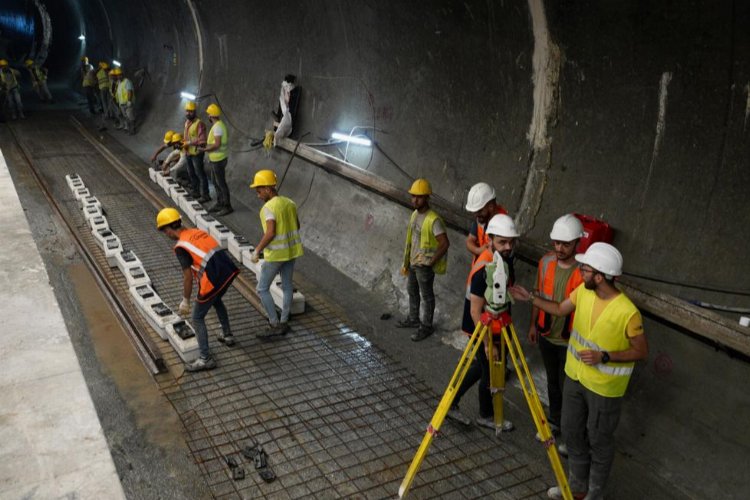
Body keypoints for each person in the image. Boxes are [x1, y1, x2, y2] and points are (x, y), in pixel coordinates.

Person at [509, 243, 648, 500]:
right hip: (574, 378)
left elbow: (640, 351)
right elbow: (561, 309)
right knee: (572, 433)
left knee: (599, 441)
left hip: (604, 389)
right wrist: (529, 297)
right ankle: (576, 488)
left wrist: (605, 356)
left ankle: (595, 494)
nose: (581, 272)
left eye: (585, 269)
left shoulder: (627, 312)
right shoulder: (583, 291)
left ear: (600, 276)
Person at [448, 214, 518, 431]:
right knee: (488, 369)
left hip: (494, 325)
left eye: (511, 241)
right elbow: (475, 310)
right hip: (481, 326)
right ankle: (486, 415)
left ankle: (452, 401)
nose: (508, 246)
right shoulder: (483, 269)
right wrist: (487, 343)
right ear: (489, 240)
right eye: (502, 242)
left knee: (480, 366)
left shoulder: (502, 260)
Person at [156, 207, 239, 372]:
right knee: (216, 300)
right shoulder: (197, 232)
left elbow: (187, 276)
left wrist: (185, 300)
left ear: (168, 228)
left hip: (213, 278)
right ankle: (227, 335)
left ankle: (205, 359)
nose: (166, 235)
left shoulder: (181, 247)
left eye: (164, 231)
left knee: (197, 317)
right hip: (228, 270)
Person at [528, 214, 584, 453]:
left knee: (569, 389)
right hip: (546, 333)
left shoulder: (584, 272)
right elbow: (538, 296)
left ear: (576, 244)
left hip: (569, 340)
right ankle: (555, 420)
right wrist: (533, 325)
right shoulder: (546, 263)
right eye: (557, 243)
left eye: (566, 244)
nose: (560, 248)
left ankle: (569, 431)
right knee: (553, 382)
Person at [248, 170, 304, 337]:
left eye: (259, 191)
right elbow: (297, 225)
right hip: (291, 252)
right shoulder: (290, 203)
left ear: (267, 188)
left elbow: (270, 232)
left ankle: (274, 323)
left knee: (262, 288)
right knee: (287, 286)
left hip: (276, 256)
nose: (258, 195)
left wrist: (257, 250)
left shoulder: (268, 208)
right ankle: (284, 320)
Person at [397, 178, 450, 341]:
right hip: (414, 262)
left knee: (427, 296)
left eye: (419, 197)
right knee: (412, 290)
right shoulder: (414, 214)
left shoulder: (433, 220)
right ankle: (414, 319)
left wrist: (431, 262)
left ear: (427, 198)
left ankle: (426, 326)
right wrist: (408, 260)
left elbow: (445, 243)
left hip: (424, 266)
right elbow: (411, 239)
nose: (415, 200)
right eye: (413, 196)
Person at [200, 103, 232, 215]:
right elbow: (214, 142)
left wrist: (205, 150)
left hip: (219, 159)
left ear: (210, 115)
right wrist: (205, 144)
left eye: (208, 114)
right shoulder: (218, 125)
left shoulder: (218, 127)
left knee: (221, 183)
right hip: (216, 159)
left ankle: (227, 206)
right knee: (215, 181)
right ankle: (220, 203)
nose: (208, 116)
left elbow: (217, 144)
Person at [464, 182, 508, 265]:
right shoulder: (481, 218)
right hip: (480, 267)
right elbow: (469, 241)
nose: (476, 215)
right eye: (475, 212)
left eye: (479, 211)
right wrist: (478, 250)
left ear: (490, 206)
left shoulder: (503, 225)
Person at [183, 101, 209, 201]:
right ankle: (196, 192)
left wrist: (189, 143)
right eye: (187, 111)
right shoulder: (186, 123)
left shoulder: (199, 123)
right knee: (191, 173)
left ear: (195, 112)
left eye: (191, 111)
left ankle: (205, 195)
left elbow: (202, 140)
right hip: (188, 153)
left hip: (197, 153)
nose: (189, 113)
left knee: (200, 174)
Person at [272, 74, 300, 145]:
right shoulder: (288, 87)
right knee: (285, 120)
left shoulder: (286, 87)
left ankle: (277, 135)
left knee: (285, 120)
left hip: (286, 109)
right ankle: (277, 134)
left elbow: (286, 99)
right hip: (285, 108)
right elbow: (286, 100)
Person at [113, 67, 136, 134]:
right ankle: (129, 129)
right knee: (126, 117)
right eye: (117, 75)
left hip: (127, 103)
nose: (118, 76)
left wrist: (129, 101)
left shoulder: (127, 81)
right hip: (122, 104)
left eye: (119, 75)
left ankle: (132, 130)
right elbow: (119, 93)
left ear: (122, 74)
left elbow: (129, 91)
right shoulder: (119, 83)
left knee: (130, 116)